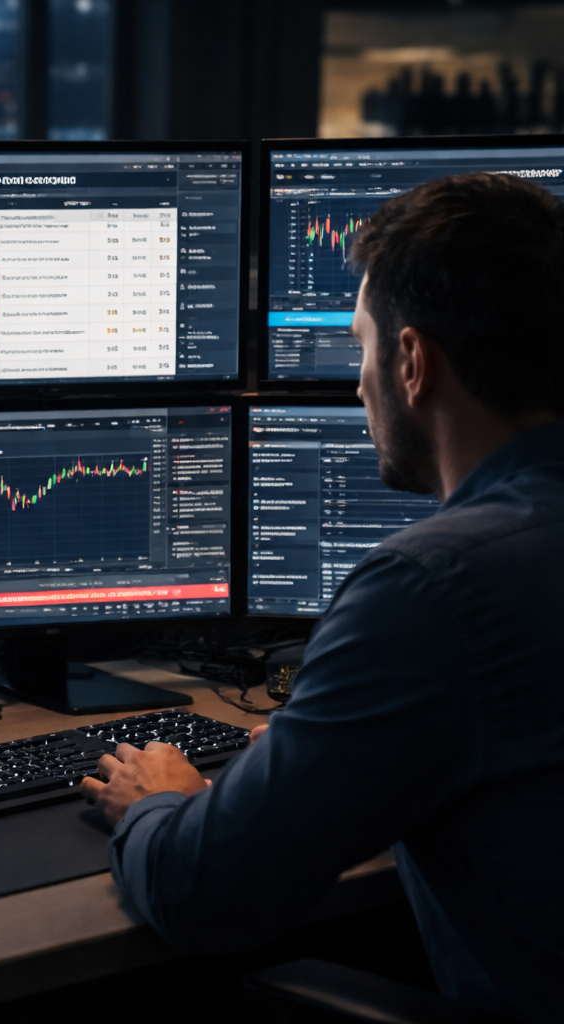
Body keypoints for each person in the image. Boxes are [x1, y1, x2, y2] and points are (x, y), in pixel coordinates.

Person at [81, 172, 564, 1024]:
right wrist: (351, 764)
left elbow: (207, 898)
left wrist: (158, 798)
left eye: (363, 349)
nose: (357, 384)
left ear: (413, 363)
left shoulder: (436, 587)